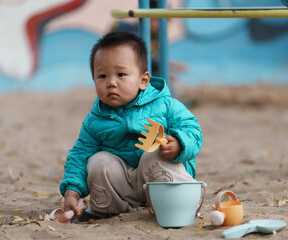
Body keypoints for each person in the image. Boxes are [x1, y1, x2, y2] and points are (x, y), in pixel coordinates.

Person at [59, 32, 203, 220]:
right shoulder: (95, 121)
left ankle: (177, 204)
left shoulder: (165, 105)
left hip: (160, 180)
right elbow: (79, 156)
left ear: (143, 80)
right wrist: (72, 192)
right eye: (102, 76)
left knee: (154, 153)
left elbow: (193, 130)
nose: (111, 83)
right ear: (93, 79)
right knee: (98, 161)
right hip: (124, 185)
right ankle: (109, 209)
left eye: (121, 74)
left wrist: (180, 144)